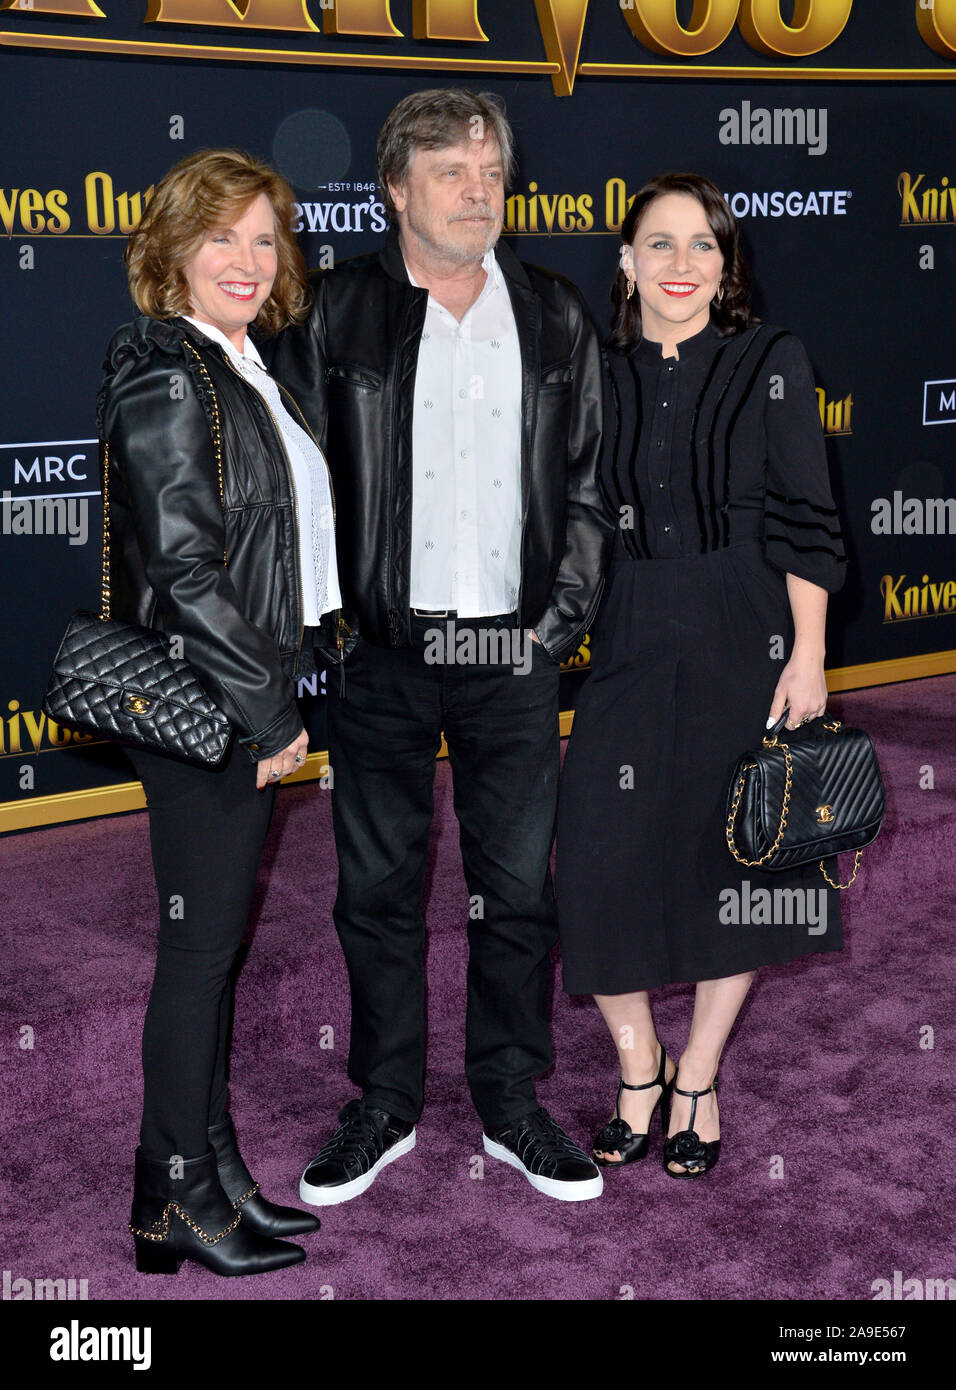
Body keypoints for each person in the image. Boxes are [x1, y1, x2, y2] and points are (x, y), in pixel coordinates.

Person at [272, 89, 608, 1204]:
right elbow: (295, 489)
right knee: (377, 890)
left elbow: (587, 490)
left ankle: (512, 1099)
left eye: (491, 173)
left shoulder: (556, 313)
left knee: (516, 890)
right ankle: (385, 1099)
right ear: (395, 189)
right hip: (383, 657)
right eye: (453, 172)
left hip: (512, 656)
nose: (479, 193)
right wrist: (330, 631)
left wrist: (553, 628)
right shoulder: (334, 313)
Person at [555, 172, 846, 1179]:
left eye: (703, 246)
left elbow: (808, 515)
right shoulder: (588, 369)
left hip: (745, 624)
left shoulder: (771, 358)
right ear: (626, 262)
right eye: (660, 244)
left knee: (742, 857)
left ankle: (698, 1075)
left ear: (725, 269)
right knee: (596, 852)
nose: (681, 265)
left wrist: (806, 654)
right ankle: (638, 1063)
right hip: (628, 622)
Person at [100, 148, 340, 1274]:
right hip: (210, 704)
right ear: (173, 252)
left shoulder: (242, 363)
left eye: (262, 238)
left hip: (245, 688)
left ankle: (215, 1168)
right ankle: (169, 1201)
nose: (247, 260)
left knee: (218, 948)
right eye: (221, 239)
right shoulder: (163, 370)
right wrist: (265, 712)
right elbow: (186, 568)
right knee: (197, 955)